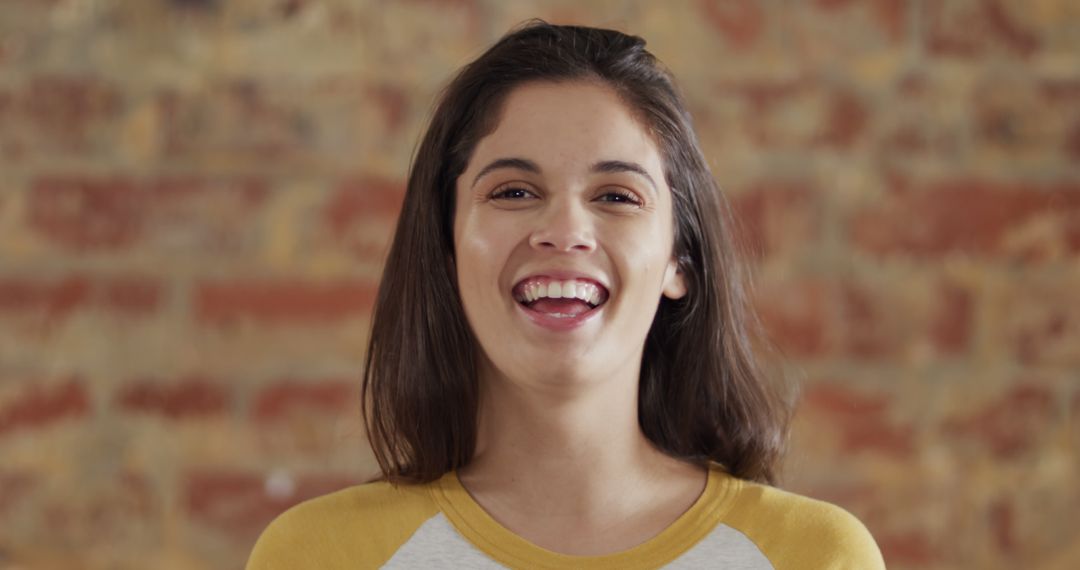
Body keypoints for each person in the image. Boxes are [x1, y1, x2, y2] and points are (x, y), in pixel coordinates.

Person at [247, 21, 885, 569]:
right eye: (514, 192)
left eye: (616, 196)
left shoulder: (815, 556)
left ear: (678, 261)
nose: (564, 233)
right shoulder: (317, 555)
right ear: (446, 246)